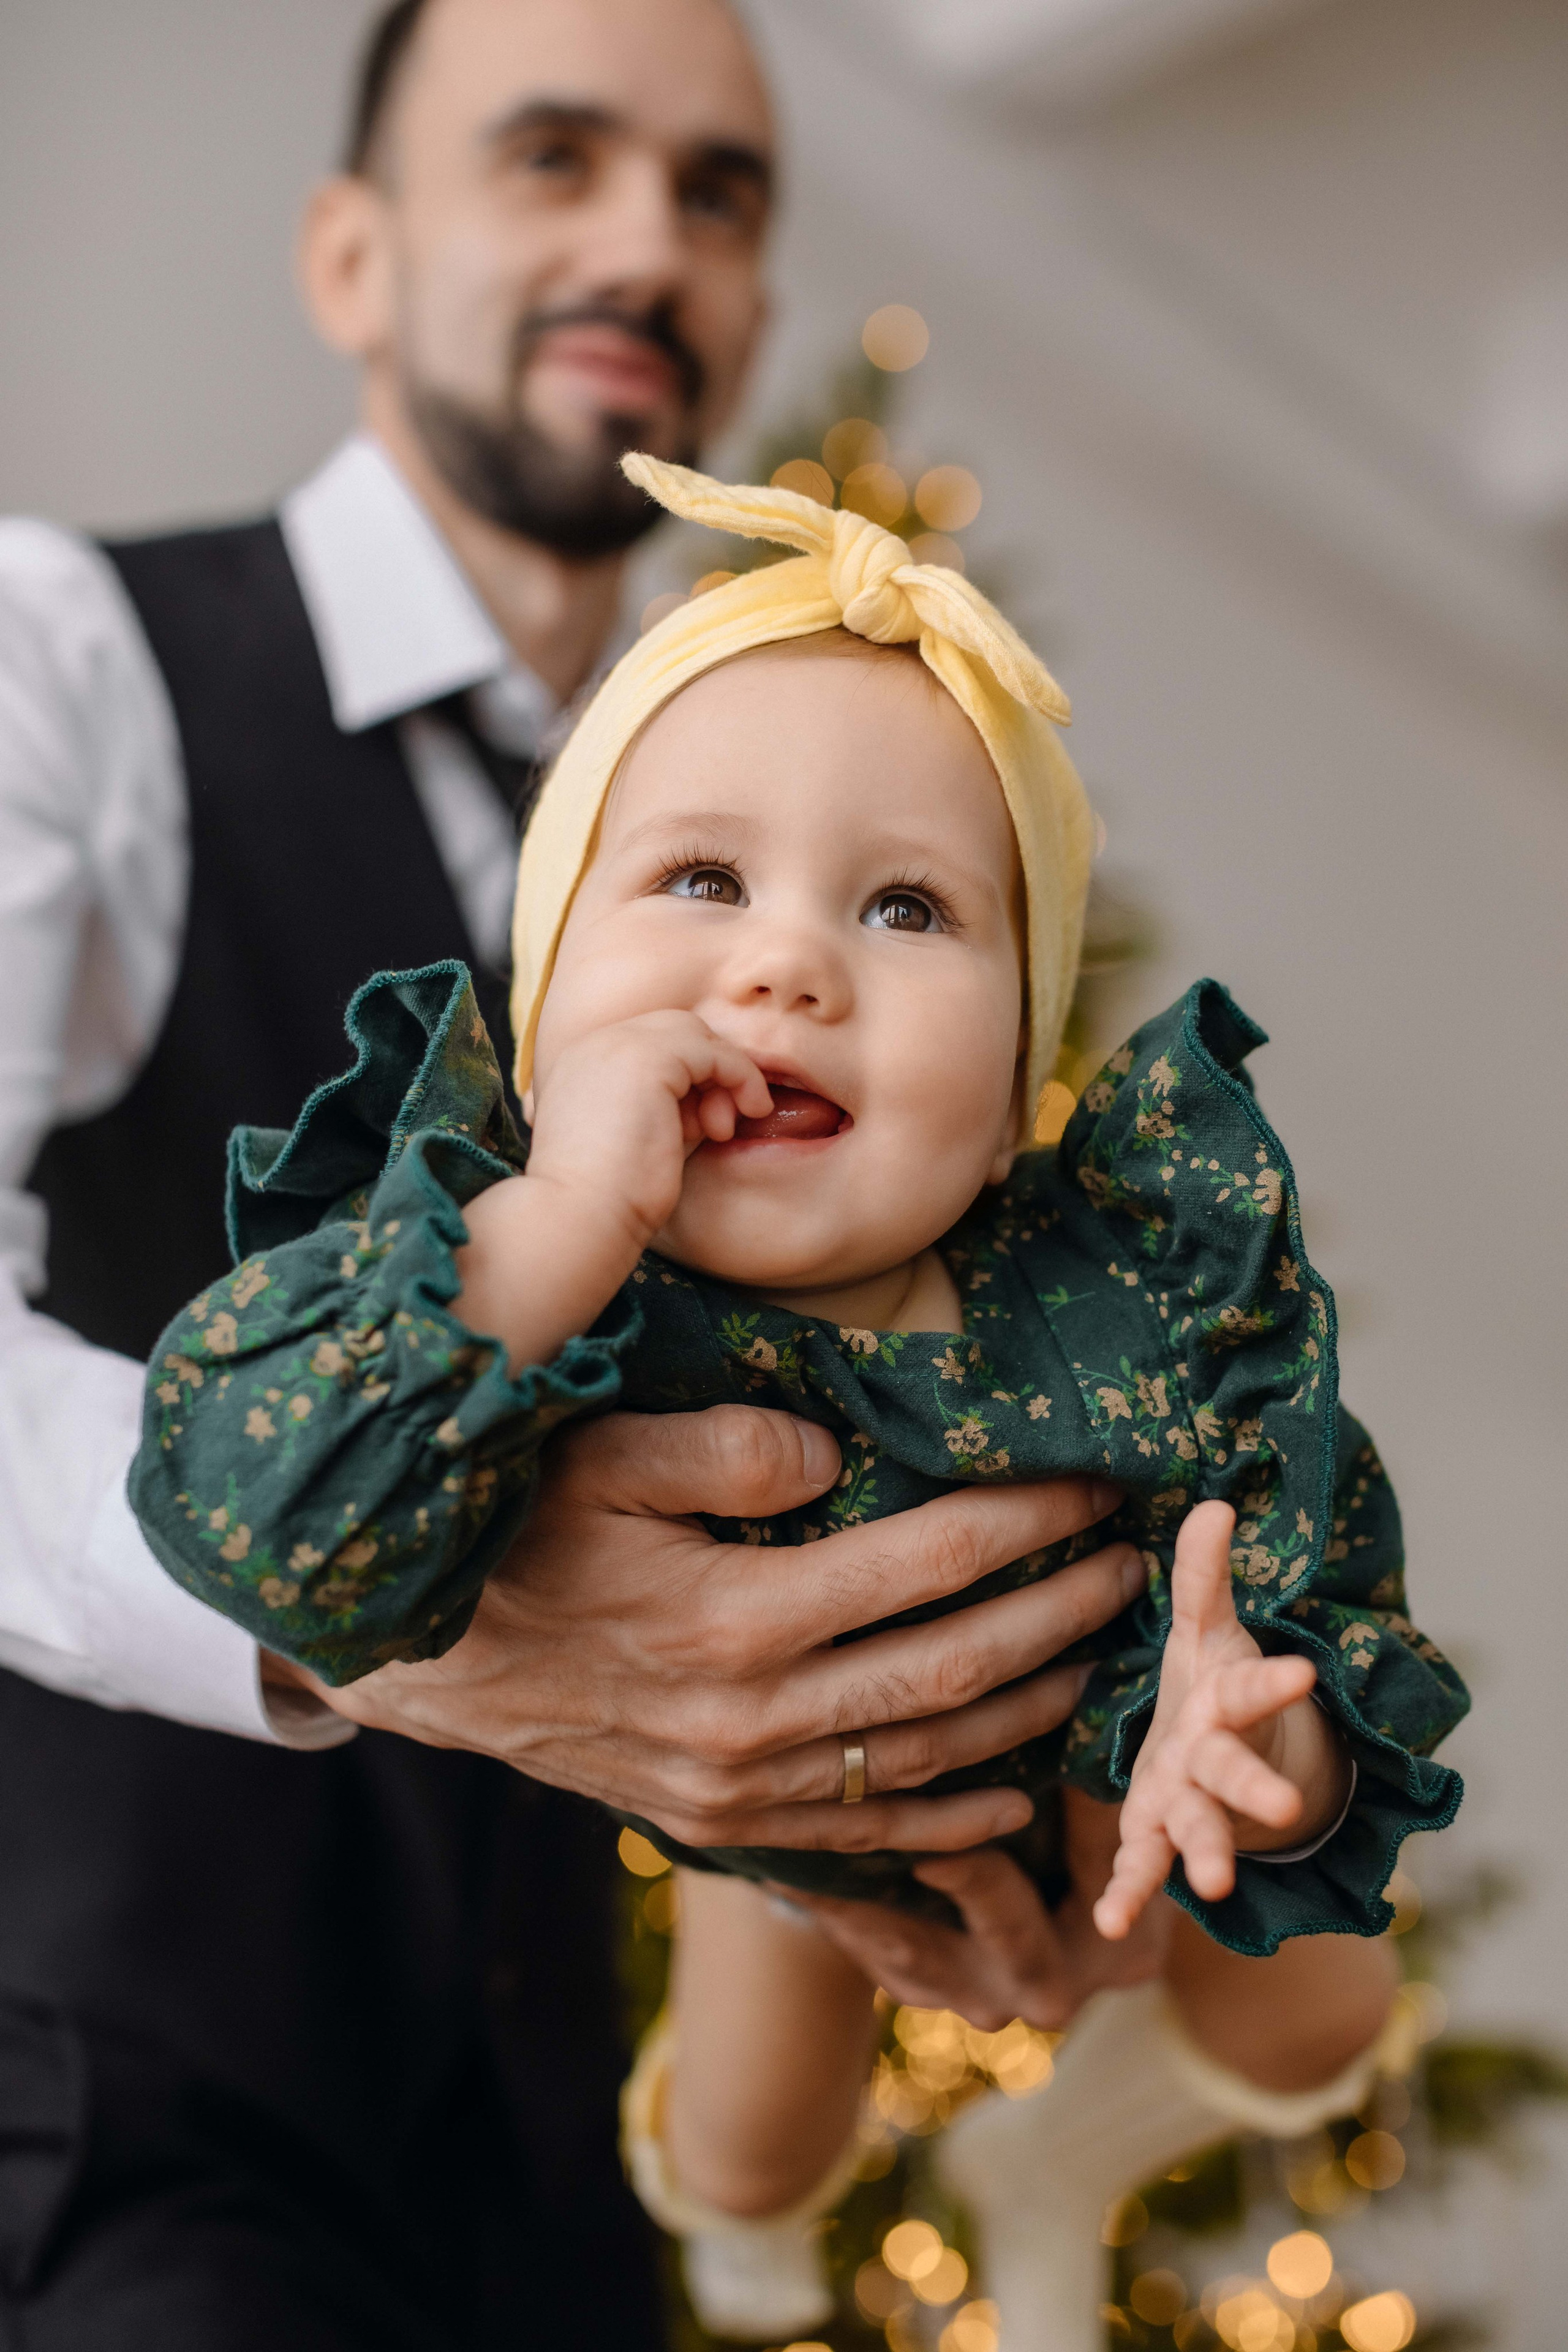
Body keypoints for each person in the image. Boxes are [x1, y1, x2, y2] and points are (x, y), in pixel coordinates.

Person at [0, 6, 1144, 2347]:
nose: (649, 236)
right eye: (553, 155)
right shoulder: (69, 667)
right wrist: (404, 1619)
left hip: (541, 2229)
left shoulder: (800, 887)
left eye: (719, 193)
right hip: (108, 2170)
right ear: (351, 253)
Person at [127, 457, 1466, 2343]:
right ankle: (750, 2232)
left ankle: (1063, 2148)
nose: (788, 964)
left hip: (1118, 1780)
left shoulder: (1134, 1301)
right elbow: (249, 1521)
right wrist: (560, 1220)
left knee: (1320, 1998)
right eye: (696, 880)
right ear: (544, 1002)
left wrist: (1262, 1739)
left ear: (1016, 1072)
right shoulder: (509, 1288)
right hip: (777, 1800)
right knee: (758, 2145)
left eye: (909, 910)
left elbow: (1315, 1561)